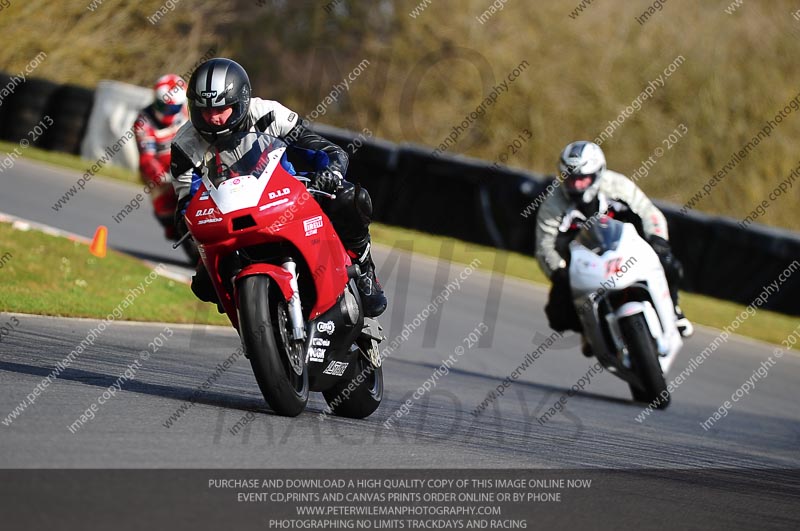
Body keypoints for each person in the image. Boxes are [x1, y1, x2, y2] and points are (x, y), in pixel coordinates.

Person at [169, 58, 387, 317]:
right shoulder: (184, 144)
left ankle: (364, 268)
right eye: (205, 111)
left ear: (240, 102)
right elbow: (187, 201)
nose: (213, 118)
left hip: (283, 199)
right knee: (205, 286)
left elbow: (323, 149)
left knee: (350, 198)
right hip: (229, 218)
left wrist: (331, 171)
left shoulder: (269, 114)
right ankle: (253, 316)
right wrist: (189, 220)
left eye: (222, 109)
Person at [535, 140, 693, 346]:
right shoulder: (553, 203)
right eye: (570, 178)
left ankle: (673, 308)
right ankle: (590, 331)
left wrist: (658, 240)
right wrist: (559, 271)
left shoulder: (617, 186)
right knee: (558, 313)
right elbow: (544, 246)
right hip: (584, 260)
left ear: (597, 173)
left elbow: (649, 212)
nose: (576, 185)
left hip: (626, 248)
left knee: (668, 263)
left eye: (582, 179)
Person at [133, 74, 189, 240]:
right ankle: (172, 227)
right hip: (161, 169)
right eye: (160, 105)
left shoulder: (187, 111)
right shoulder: (144, 122)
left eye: (171, 109)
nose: (165, 112)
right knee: (163, 206)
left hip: (188, 161)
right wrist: (161, 176)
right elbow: (147, 158)